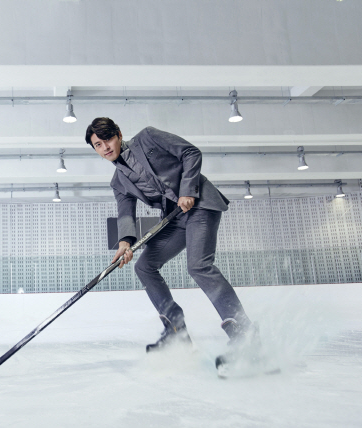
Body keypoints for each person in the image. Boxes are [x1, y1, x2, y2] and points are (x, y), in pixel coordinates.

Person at [85, 117, 256, 352]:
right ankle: (176, 330)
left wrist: (188, 190)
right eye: (98, 145)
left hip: (200, 205)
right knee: (144, 266)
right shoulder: (118, 182)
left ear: (119, 134)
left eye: (108, 140)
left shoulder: (147, 137)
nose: (105, 147)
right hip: (175, 217)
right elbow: (125, 213)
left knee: (198, 266)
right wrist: (125, 243)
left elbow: (190, 153)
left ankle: (244, 332)